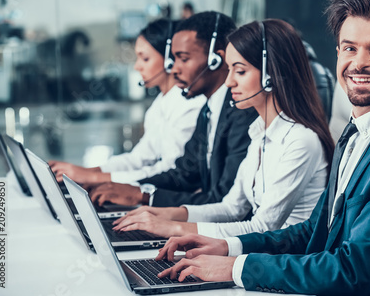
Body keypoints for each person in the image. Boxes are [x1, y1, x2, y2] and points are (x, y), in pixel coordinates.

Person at [155, 0, 370, 296]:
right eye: (350, 48)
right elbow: (316, 231)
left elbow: (352, 271)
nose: (360, 62)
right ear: (338, 54)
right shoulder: (359, 131)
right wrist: (228, 246)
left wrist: (235, 268)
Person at [111, 19, 335, 239]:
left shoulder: (301, 141)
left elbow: (264, 226)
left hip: (284, 263)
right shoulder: (259, 133)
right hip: (260, 254)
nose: (228, 82)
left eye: (240, 71)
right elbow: (231, 208)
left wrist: (174, 228)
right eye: (229, 70)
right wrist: (165, 214)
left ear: (270, 75)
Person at [87, 11, 258, 208]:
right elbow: (183, 175)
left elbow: (224, 199)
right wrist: (128, 189)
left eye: (183, 59)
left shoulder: (242, 113)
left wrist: (144, 196)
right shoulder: (208, 110)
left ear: (216, 60)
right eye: (174, 59)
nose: (174, 69)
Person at [49, 19, 205, 186]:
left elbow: (169, 171)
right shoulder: (160, 103)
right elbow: (138, 159)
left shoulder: (190, 104)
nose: (137, 66)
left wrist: (93, 178)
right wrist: (82, 172)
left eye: (145, 59)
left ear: (170, 60)